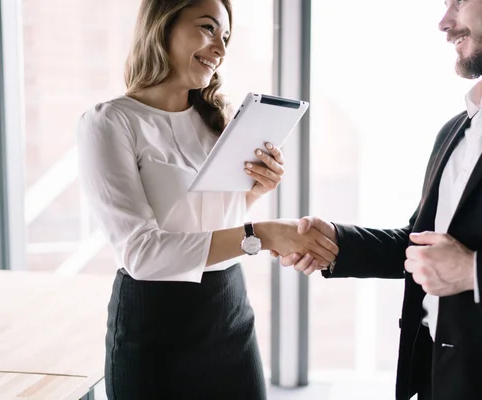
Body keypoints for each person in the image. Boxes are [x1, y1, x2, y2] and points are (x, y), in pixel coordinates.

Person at [279, 0, 482, 399]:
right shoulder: (454, 129)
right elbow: (423, 245)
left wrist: (475, 272)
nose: (444, 23)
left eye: (459, 2)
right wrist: (334, 243)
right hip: (437, 381)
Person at [76, 0, 337, 399]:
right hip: (154, 322)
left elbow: (199, 222)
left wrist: (254, 193)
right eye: (208, 28)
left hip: (229, 309)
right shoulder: (110, 122)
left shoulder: (218, 119)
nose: (220, 47)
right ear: (161, 26)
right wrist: (261, 234)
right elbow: (142, 253)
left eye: (226, 36)